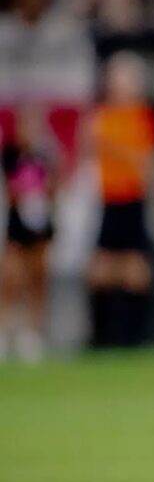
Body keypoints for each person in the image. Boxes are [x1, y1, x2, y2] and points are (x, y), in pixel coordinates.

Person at [87, 51, 154, 348]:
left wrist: (110, 146)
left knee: (135, 268)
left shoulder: (142, 118)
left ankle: (135, 335)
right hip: (106, 199)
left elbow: (144, 166)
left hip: (132, 198)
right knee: (100, 269)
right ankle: (101, 335)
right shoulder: (101, 116)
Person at [0, 107, 59, 362]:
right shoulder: (10, 156)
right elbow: (10, 191)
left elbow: (54, 187)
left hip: (40, 224)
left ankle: (32, 334)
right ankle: (4, 331)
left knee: (38, 279)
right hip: (17, 224)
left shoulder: (45, 157)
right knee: (10, 278)